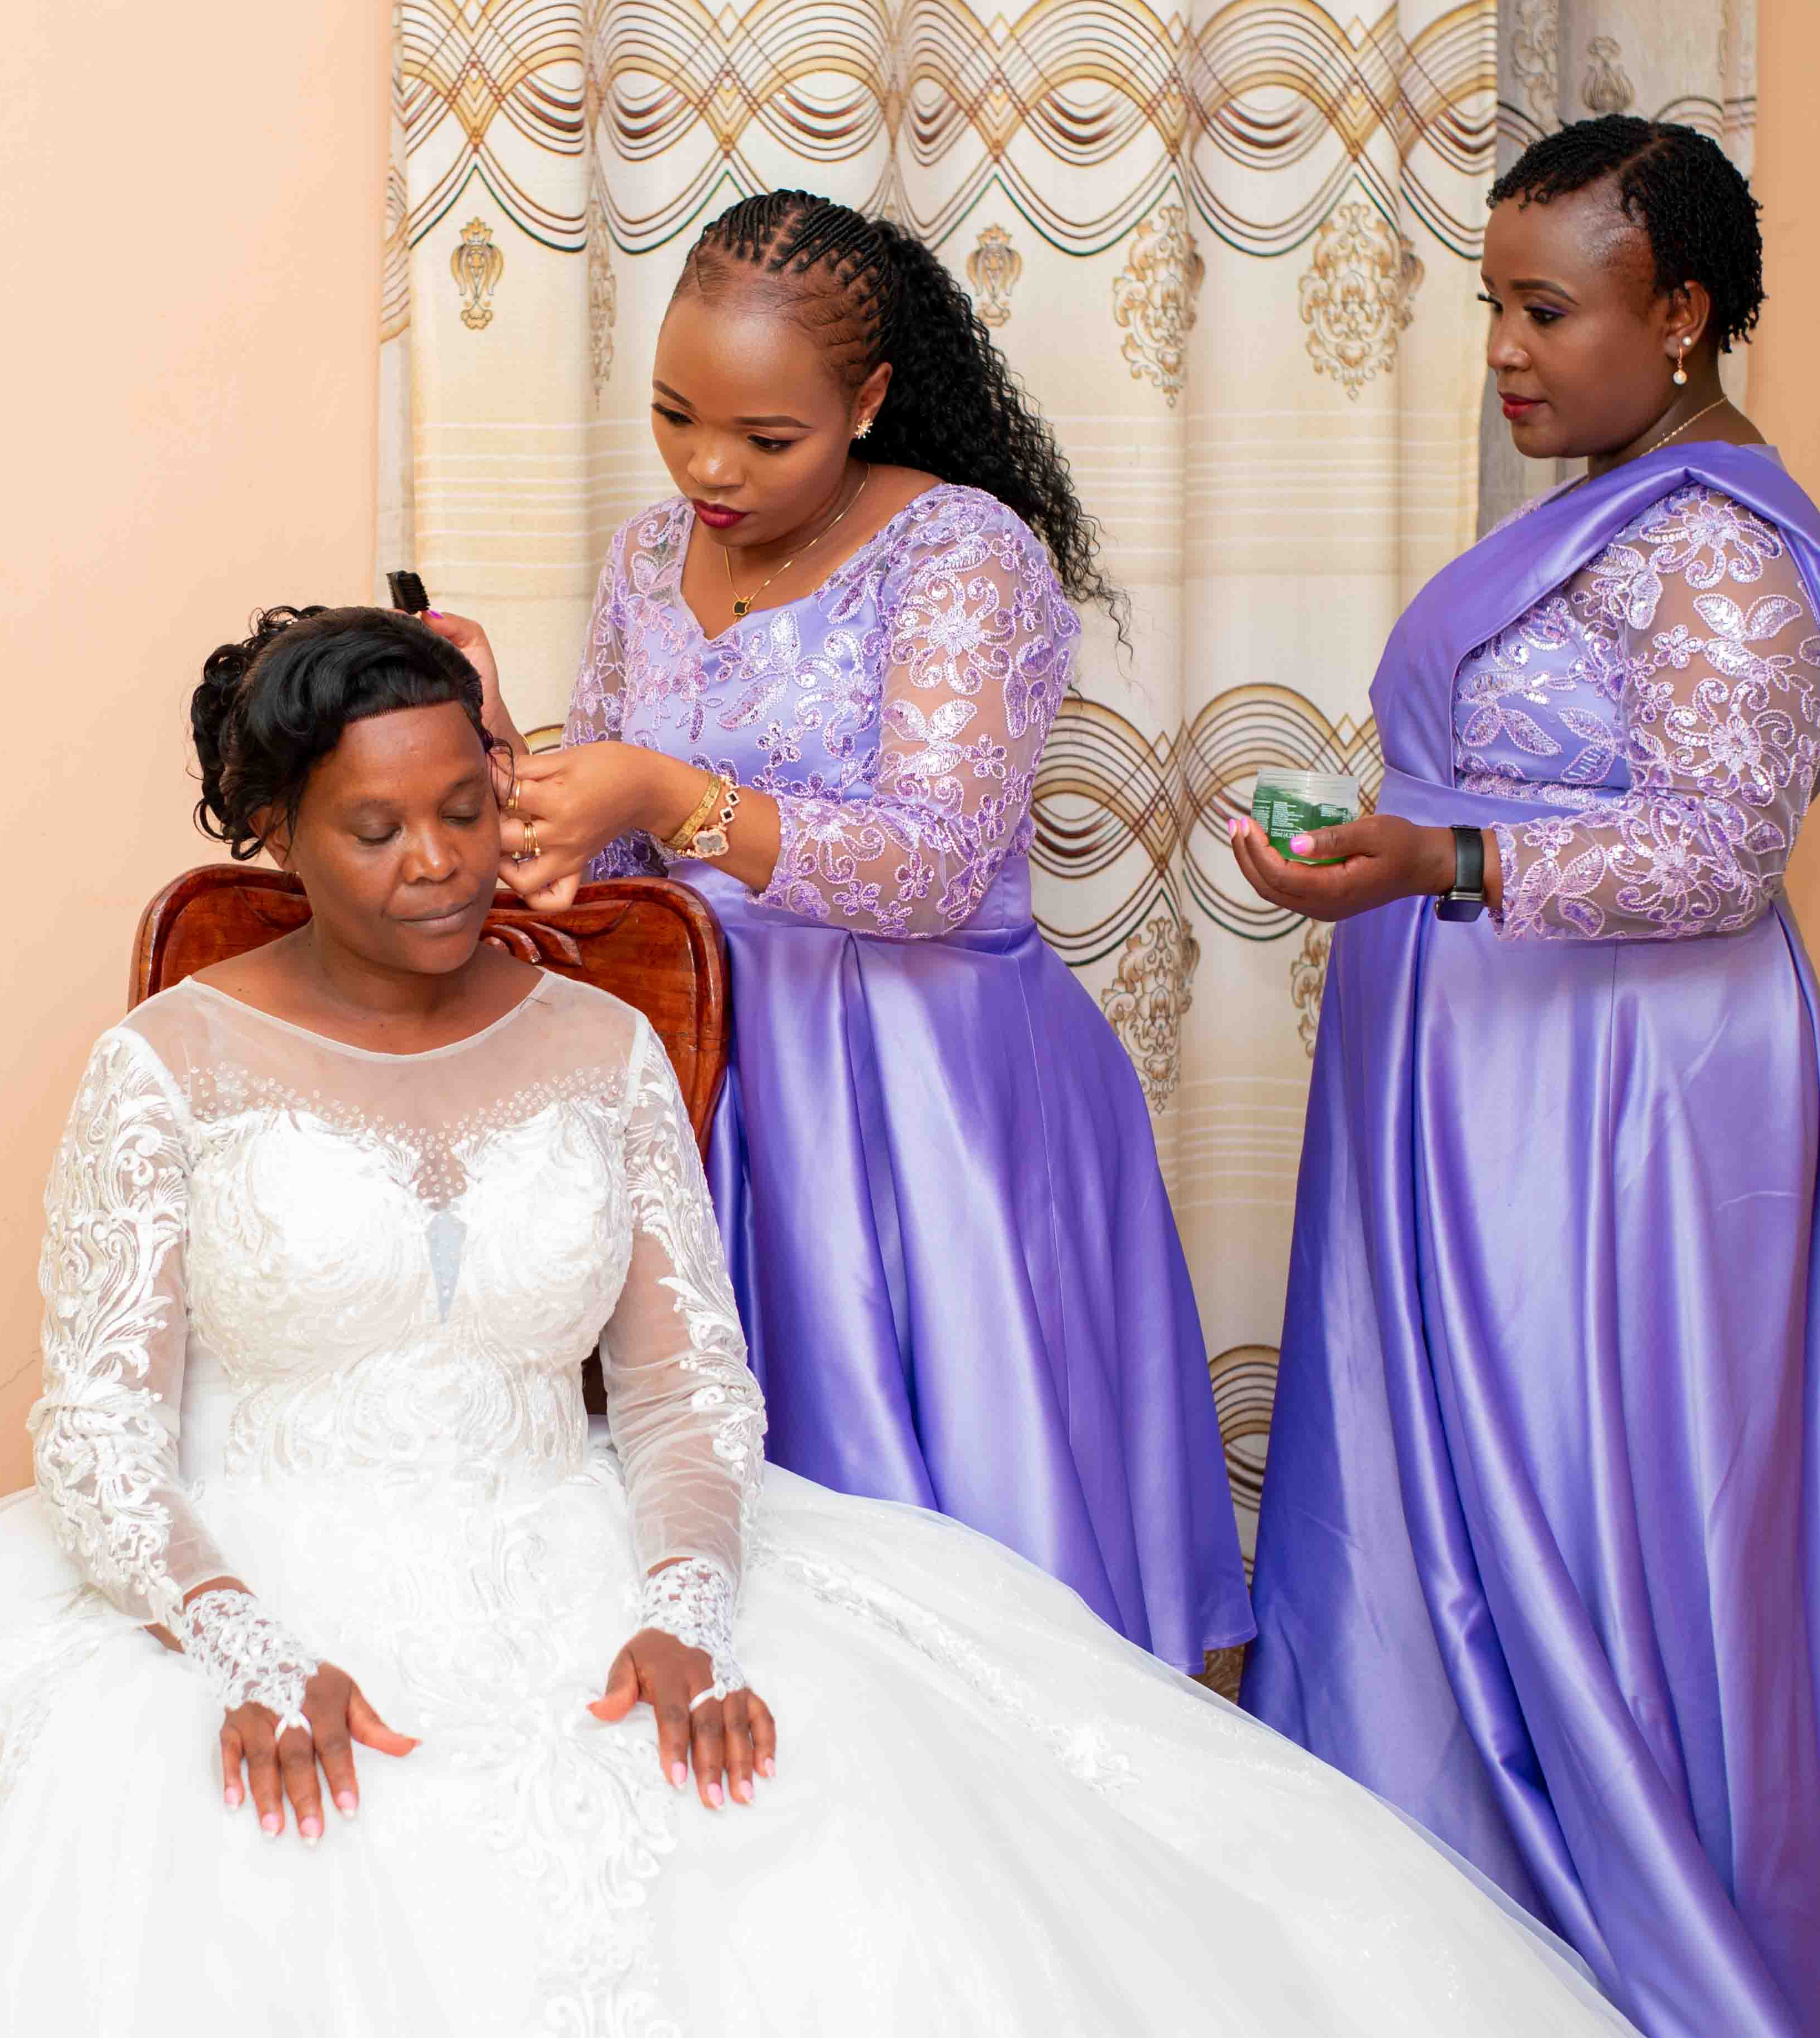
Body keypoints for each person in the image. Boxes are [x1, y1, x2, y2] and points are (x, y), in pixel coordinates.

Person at [0, 605, 1649, 2036]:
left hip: (587, 1558)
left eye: (469, 807)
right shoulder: (172, 1067)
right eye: (372, 829)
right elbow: (99, 1428)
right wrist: (250, 1649)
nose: (439, 863)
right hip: (237, 1576)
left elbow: (678, 1377)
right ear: (270, 840)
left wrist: (690, 1597)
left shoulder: (595, 1042)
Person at [1233, 118, 1820, 2038]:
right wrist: (1382, 843)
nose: (1508, 351)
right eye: (1493, 307)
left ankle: (1625, 1944)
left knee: (1588, 1515)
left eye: (1549, 309)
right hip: (1487, 1073)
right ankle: (1439, 1939)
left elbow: (1721, 848)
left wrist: (1438, 860)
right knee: (1438, 1503)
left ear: (1682, 311)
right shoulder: (1610, 504)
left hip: (1618, 1116)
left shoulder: (1722, 547)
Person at [424, 189, 1249, 1673]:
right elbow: (610, 859)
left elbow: (934, 866)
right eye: (677, 417)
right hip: (712, 1076)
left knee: (946, 1563)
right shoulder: (640, 560)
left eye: (765, 437)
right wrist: (490, 735)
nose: (707, 468)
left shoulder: (963, 554)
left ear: (868, 401)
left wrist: (673, 790)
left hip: (922, 1107)